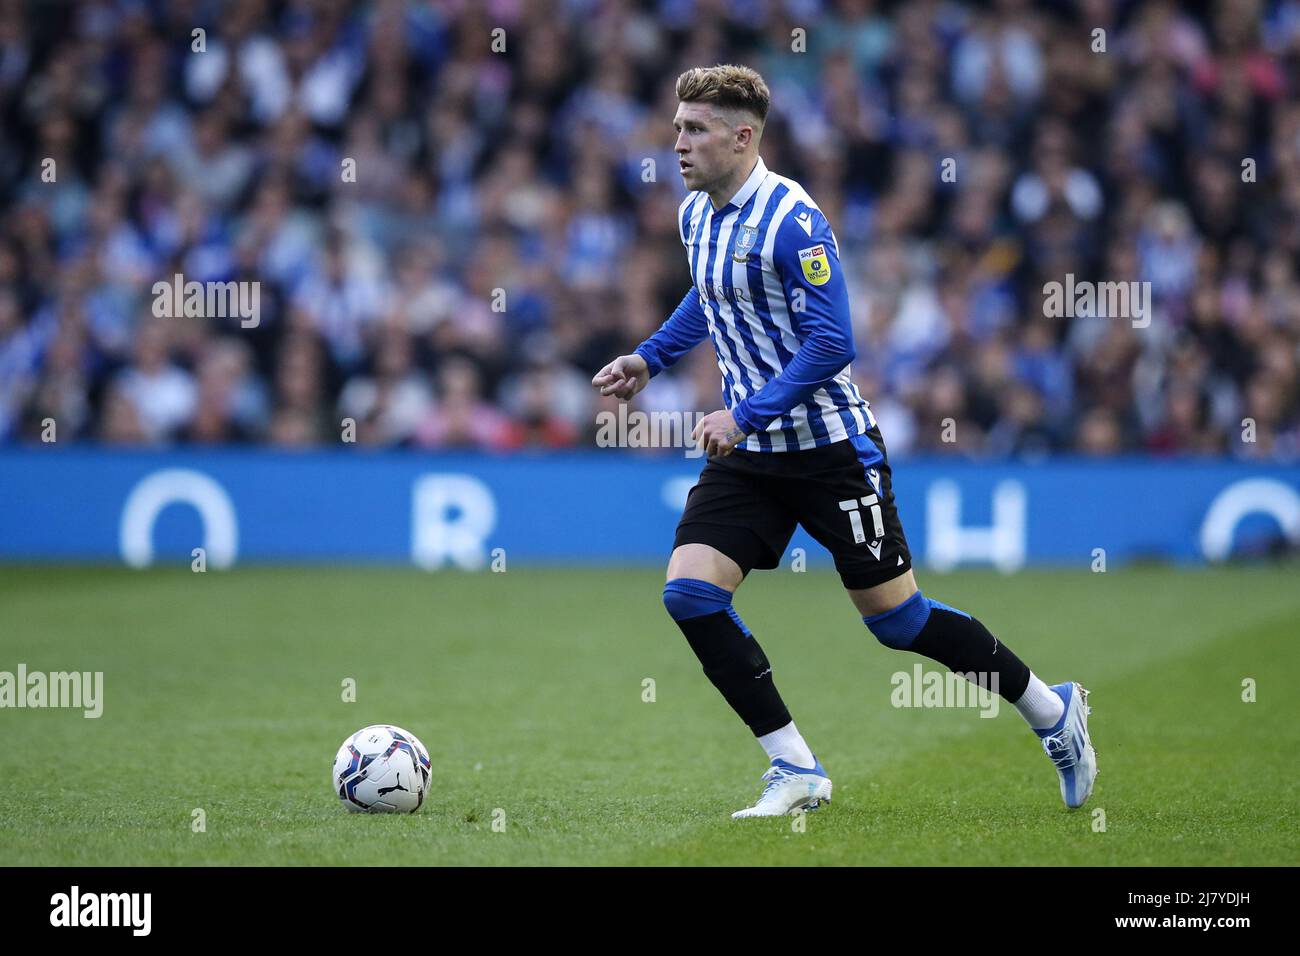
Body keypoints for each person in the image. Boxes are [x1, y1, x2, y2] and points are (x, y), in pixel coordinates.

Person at [592, 65, 1097, 818]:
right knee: (691, 594)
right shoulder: (696, 214)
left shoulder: (794, 221)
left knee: (899, 622)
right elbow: (711, 293)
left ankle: (1052, 713)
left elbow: (833, 344)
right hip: (753, 458)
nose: (678, 144)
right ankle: (795, 768)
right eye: (676, 128)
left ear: (743, 136)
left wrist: (745, 413)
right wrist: (650, 357)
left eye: (695, 130)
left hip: (830, 450)